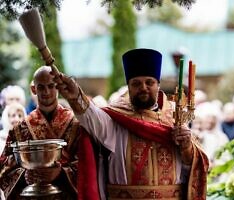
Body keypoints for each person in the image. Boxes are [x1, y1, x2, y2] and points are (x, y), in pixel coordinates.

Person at [53, 48, 209, 199]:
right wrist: (75, 97)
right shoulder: (116, 120)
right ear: (129, 87)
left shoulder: (175, 118)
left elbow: (192, 167)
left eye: (149, 82)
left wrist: (187, 147)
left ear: (158, 85)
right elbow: (91, 116)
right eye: (136, 83)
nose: (143, 88)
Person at [0, 66, 99, 200]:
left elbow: (89, 165)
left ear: (58, 87)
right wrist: (24, 175)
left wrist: (61, 173)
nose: (46, 92)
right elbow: (4, 168)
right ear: (33, 89)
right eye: (41, 87)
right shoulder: (19, 129)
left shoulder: (76, 126)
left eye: (51, 86)